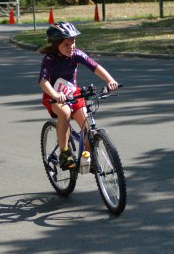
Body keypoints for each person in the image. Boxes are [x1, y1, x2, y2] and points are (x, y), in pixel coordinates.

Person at [39, 21, 118, 170]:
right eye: (66, 45)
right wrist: (56, 94)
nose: (71, 47)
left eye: (73, 42)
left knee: (87, 125)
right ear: (56, 45)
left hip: (73, 93)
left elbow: (95, 67)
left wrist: (110, 80)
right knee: (65, 112)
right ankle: (64, 153)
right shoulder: (50, 59)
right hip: (54, 95)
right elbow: (43, 81)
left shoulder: (76, 54)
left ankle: (87, 159)